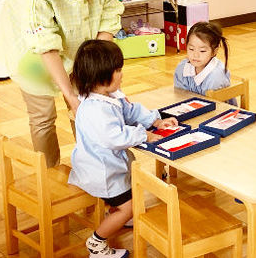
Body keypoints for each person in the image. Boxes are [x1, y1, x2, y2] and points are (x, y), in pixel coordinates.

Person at [0, 0, 126, 167]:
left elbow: (109, 18)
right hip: (34, 54)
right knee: (43, 117)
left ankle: (94, 169)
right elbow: (45, 45)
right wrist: (70, 95)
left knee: (91, 105)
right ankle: (49, 177)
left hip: (82, 46)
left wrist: (96, 72)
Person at [68, 40, 177, 258]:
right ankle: (97, 243)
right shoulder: (95, 110)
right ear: (101, 76)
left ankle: (116, 214)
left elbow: (130, 111)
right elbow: (114, 137)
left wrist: (154, 120)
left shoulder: (106, 97)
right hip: (102, 172)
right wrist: (143, 134)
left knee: (127, 196)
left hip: (105, 166)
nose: (121, 74)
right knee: (131, 206)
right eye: (117, 70)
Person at [174, 22, 236, 105]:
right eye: (191, 49)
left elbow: (214, 109)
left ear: (214, 51)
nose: (195, 55)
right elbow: (179, 97)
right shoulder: (181, 68)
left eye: (202, 51)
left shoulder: (215, 77)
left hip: (218, 113)